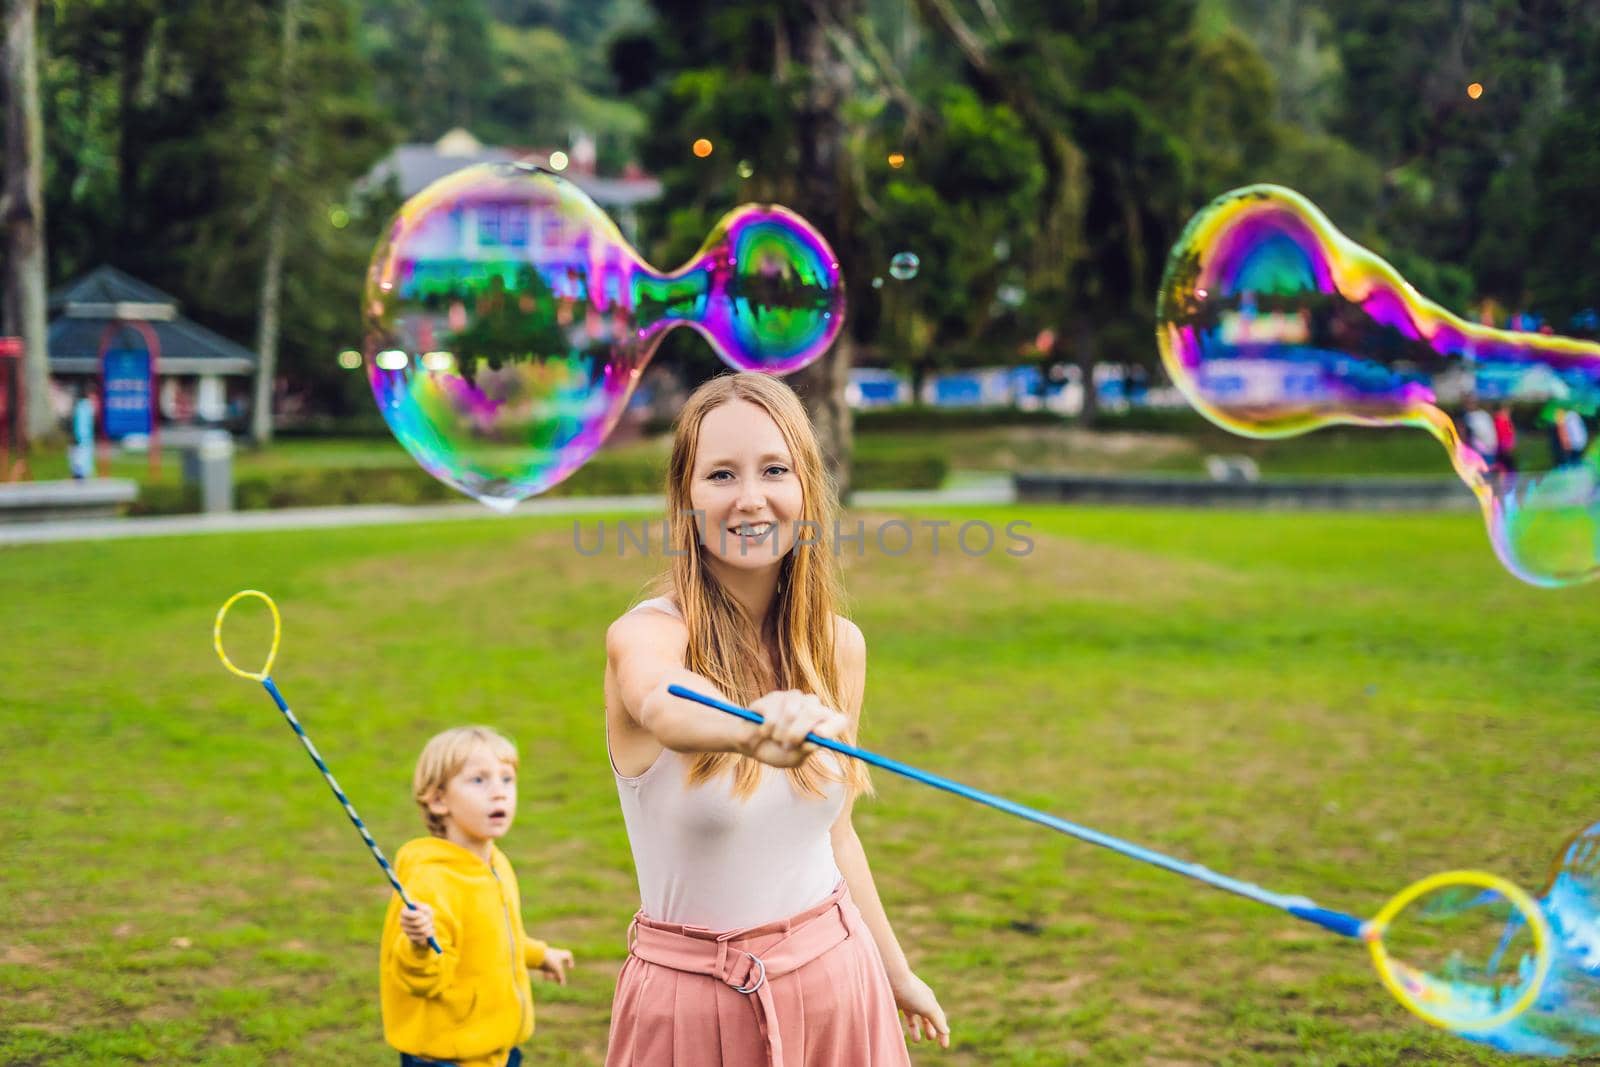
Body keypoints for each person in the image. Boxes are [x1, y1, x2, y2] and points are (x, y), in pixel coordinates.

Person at [603, 372, 949, 1065]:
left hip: (839, 980)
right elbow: (659, 702)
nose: (750, 498)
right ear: (687, 498)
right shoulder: (645, 635)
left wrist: (894, 968)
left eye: (774, 469)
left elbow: (835, 835)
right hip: (695, 1008)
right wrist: (755, 731)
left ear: (806, 488)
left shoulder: (837, 646)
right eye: (721, 474)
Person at [380, 726, 575, 1067]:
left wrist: (540, 955)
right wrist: (419, 944)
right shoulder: (431, 882)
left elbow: (496, 938)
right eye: (479, 781)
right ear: (439, 800)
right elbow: (418, 979)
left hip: (497, 1046)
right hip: (448, 1055)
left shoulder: (495, 863)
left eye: (507, 779)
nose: (498, 793)